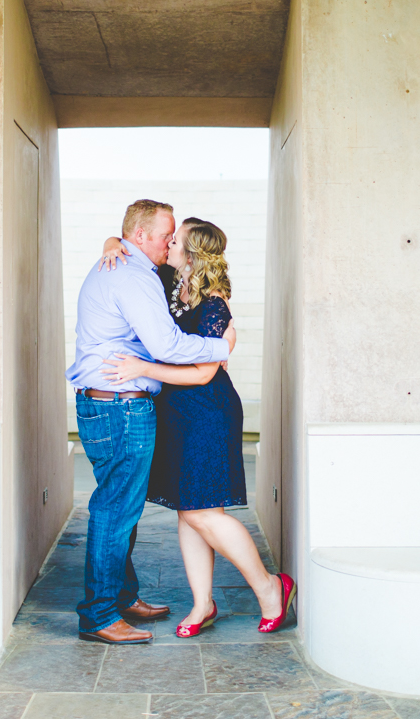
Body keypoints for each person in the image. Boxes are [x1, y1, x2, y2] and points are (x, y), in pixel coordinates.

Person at [99, 218, 296, 638]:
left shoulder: (213, 304)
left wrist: (142, 367)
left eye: (175, 239)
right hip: (176, 414)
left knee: (202, 512)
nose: (167, 243)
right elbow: (126, 242)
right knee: (188, 514)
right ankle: (202, 603)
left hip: (207, 413)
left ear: (190, 252)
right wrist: (111, 242)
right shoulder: (172, 279)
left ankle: (270, 588)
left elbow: (204, 374)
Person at [66, 199, 235, 645]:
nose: (169, 242)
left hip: (111, 404)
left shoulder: (130, 266)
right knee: (115, 510)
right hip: (119, 406)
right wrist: (222, 348)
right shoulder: (133, 275)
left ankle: (122, 597)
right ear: (141, 238)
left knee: (121, 507)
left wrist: (111, 241)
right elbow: (168, 345)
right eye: (166, 235)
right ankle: (100, 615)